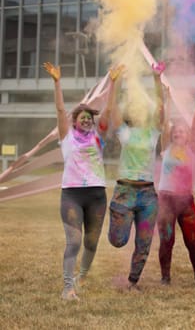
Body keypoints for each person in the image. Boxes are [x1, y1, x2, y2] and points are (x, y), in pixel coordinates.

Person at [43, 62, 117, 301]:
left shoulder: (98, 137)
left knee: (92, 243)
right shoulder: (66, 138)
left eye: (89, 118)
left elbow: (107, 112)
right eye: (81, 117)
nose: (86, 120)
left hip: (96, 196)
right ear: (74, 121)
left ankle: (82, 276)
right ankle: (67, 288)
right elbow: (59, 109)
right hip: (72, 195)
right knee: (74, 241)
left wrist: (114, 83)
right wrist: (57, 83)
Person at [106, 62, 165, 291]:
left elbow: (161, 107)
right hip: (125, 191)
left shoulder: (152, 132)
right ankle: (116, 222)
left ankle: (133, 281)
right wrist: (115, 82)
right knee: (118, 240)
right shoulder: (126, 132)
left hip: (148, 194)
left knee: (144, 242)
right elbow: (112, 111)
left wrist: (157, 79)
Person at [156, 88, 195, 285]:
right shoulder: (166, 147)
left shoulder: (191, 149)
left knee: (192, 240)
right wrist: (167, 100)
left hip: (185, 200)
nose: (178, 132)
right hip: (166, 199)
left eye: (181, 131)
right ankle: (165, 277)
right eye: (175, 130)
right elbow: (164, 125)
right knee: (166, 240)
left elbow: (194, 128)